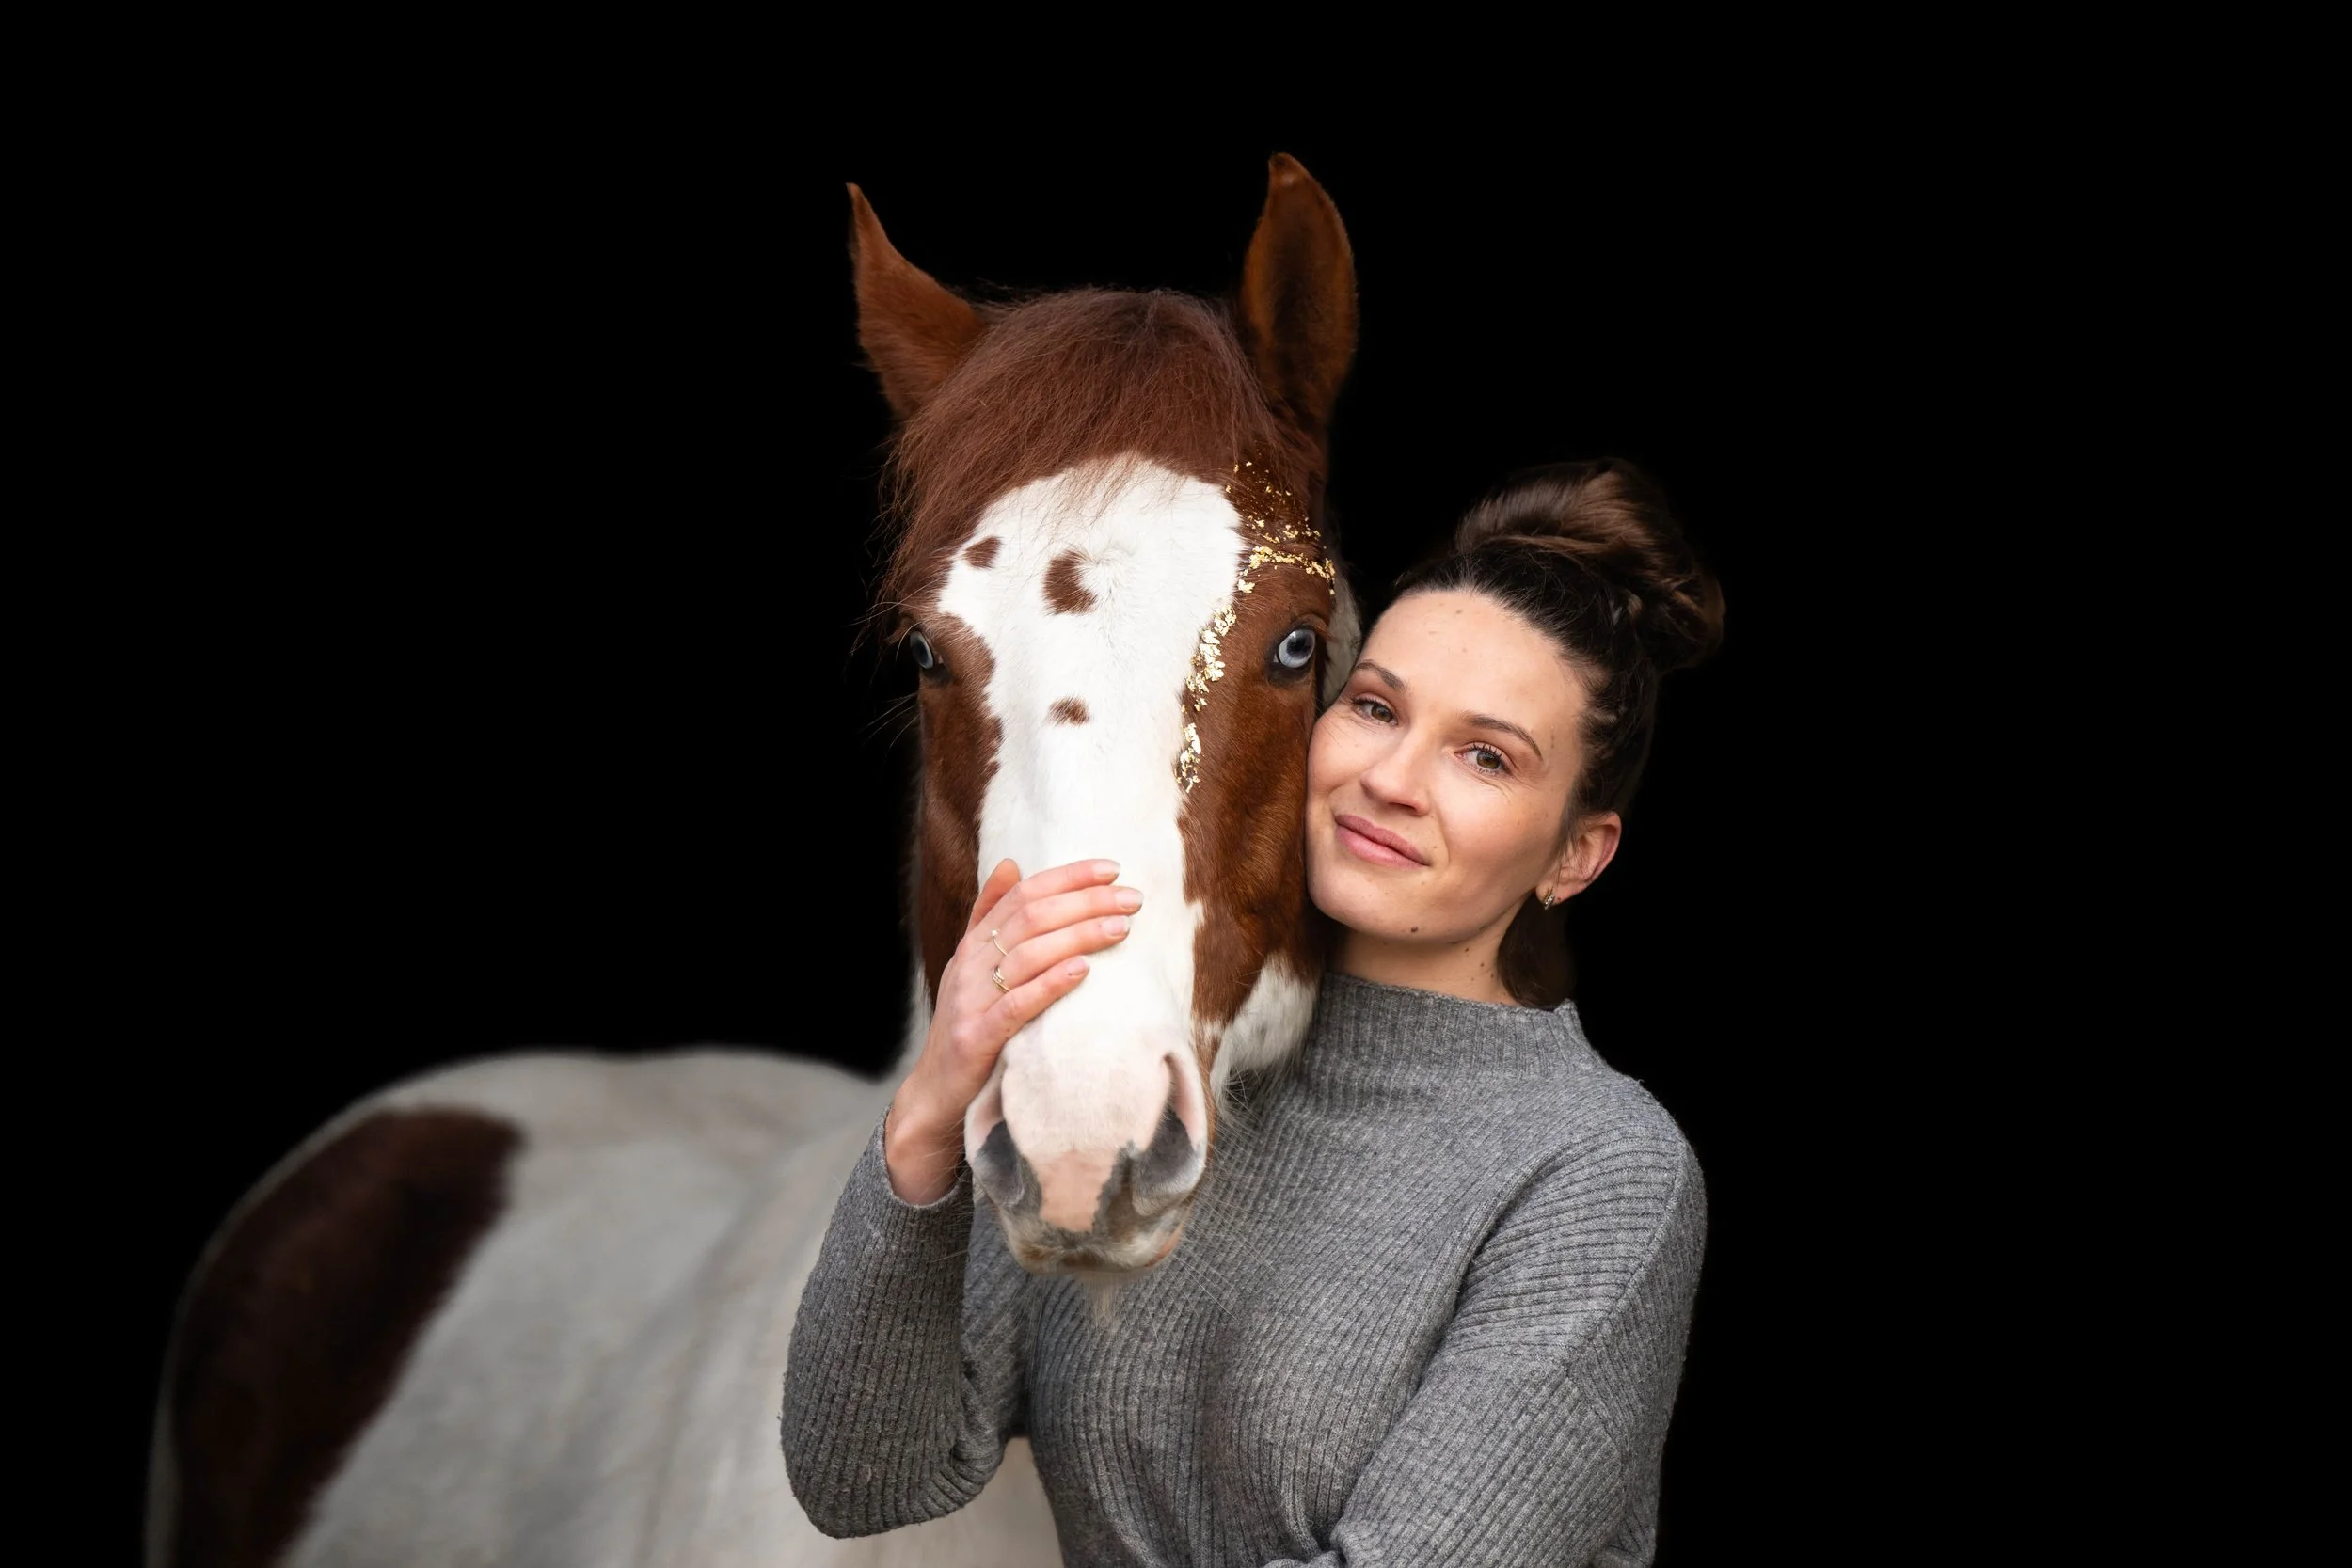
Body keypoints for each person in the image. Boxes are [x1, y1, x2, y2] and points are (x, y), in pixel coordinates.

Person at [784, 460, 1724, 1565]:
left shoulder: (1596, 1172)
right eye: (1374, 707)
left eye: (1484, 755)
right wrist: (926, 1124)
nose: (1392, 777)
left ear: (1574, 854)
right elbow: (861, 1475)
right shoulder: (1166, 1066)